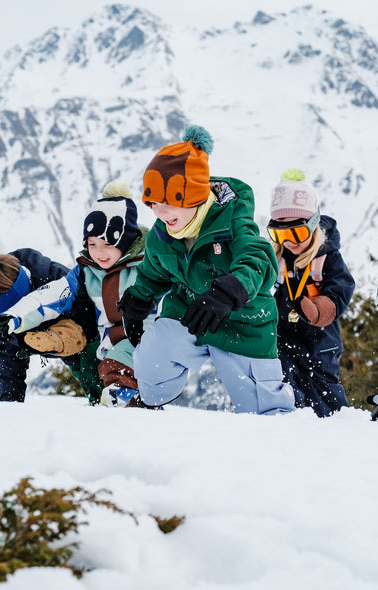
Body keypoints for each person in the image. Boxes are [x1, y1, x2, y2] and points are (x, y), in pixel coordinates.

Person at [118, 125, 295, 414]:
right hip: (190, 314)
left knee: (264, 412)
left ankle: (275, 436)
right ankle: (148, 408)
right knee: (151, 357)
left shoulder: (233, 222)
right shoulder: (161, 234)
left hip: (244, 321)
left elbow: (259, 258)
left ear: (195, 197)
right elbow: (154, 272)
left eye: (170, 203)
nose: (160, 214)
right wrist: (139, 299)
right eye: (153, 204)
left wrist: (229, 291)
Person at [0, 182, 151, 406]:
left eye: (107, 243)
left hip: (103, 338)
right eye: (92, 244)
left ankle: (123, 403)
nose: (99, 252)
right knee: (105, 386)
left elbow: (82, 316)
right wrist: (11, 406)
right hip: (108, 339)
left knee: (100, 367)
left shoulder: (53, 278)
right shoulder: (86, 271)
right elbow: (8, 364)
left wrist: (61, 340)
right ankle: (116, 404)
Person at [267, 168, 355, 417]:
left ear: (313, 225)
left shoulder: (327, 257)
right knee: (284, 380)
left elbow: (341, 288)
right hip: (282, 335)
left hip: (320, 338)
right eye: (280, 233)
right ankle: (292, 422)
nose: (290, 241)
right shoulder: (276, 257)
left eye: (298, 232)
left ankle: (339, 424)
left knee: (323, 390)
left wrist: (320, 309)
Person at [0, 250, 102, 403]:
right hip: (62, 347)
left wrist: (60, 340)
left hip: (91, 338)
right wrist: (10, 408)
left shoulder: (57, 282)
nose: (10, 327)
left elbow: (90, 316)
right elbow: (9, 367)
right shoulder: (4, 321)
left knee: (98, 378)